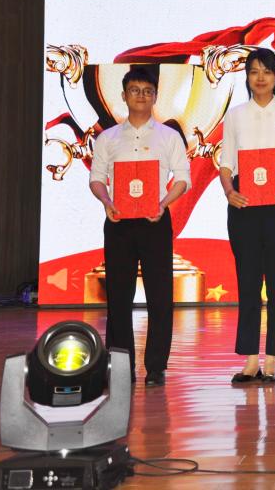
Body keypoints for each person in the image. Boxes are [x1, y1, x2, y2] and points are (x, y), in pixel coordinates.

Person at [89, 66, 190, 386]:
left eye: (147, 91)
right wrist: (106, 201)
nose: (141, 96)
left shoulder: (169, 137)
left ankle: (156, 367)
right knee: (118, 296)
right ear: (124, 95)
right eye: (135, 90)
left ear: (156, 96)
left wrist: (163, 203)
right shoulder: (107, 138)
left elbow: (182, 179)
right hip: (118, 221)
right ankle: (121, 365)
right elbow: (96, 179)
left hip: (155, 221)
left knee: (160, 295)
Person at [219, 47, 275, 384]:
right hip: (244, 203)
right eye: (254, 71)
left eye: (267, 72)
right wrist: (229, 191)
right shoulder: (235, 115)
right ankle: (250, 360)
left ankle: (272, 360)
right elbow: (226, 163)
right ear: (246, 76)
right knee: (248, 281)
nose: (260, 78)